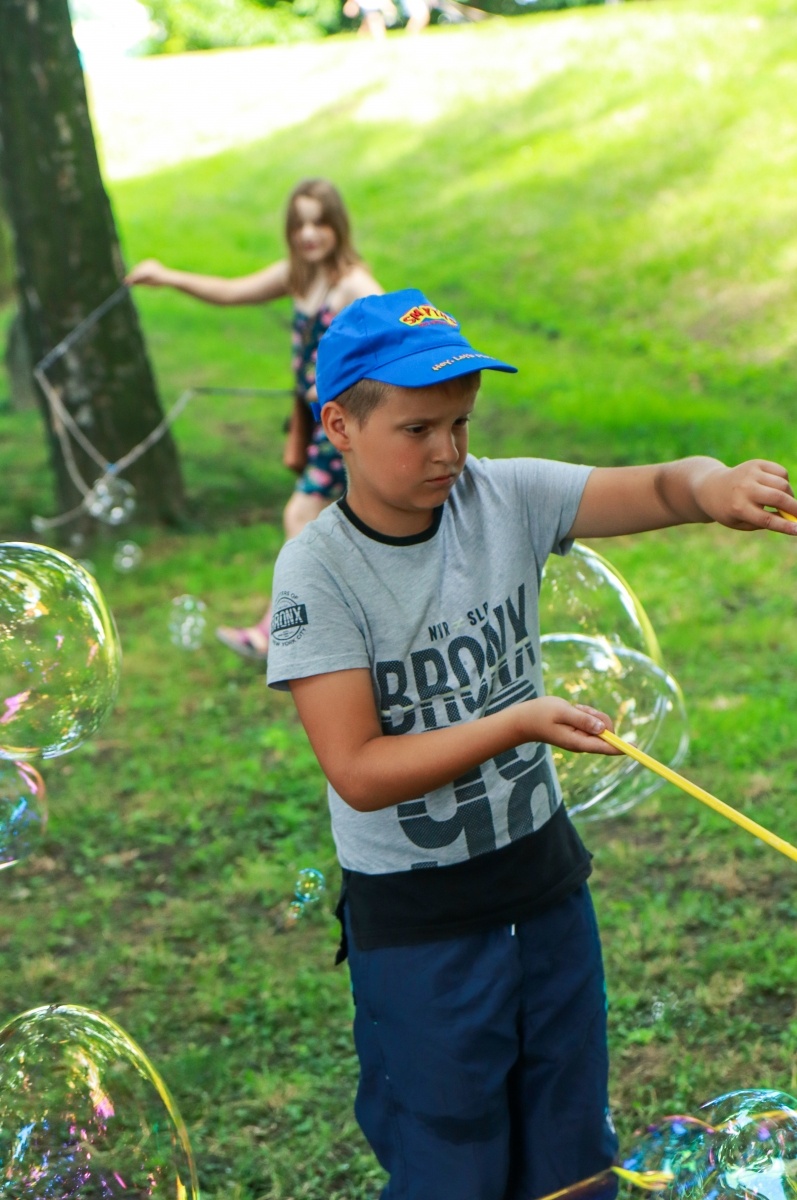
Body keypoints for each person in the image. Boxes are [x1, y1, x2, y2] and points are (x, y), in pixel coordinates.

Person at [266, 288, 797, 1199]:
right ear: (339, 427)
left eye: (462, 423)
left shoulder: (499, 497)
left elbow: (659, 486)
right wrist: (512, 722)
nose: (448, 451)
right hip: (418, 924)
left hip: (545, 890)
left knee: (572, 1140)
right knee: (451, 1155)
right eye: (418, 427)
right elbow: (356, 769)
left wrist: (714, 487)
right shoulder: (317, 572)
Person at [126, 178, 383, 660]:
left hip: (344, 423)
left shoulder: (352, 284)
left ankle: (281, 634)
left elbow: (395, 332)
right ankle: (333, 630)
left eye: (319, 223)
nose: (309, 234)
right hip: (321, 424)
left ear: (337, 226)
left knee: (302, 514)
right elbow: (229, 291)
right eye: (300, 223)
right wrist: (167, 276)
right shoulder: (299, 276)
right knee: (337, 526)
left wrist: (335, 380)